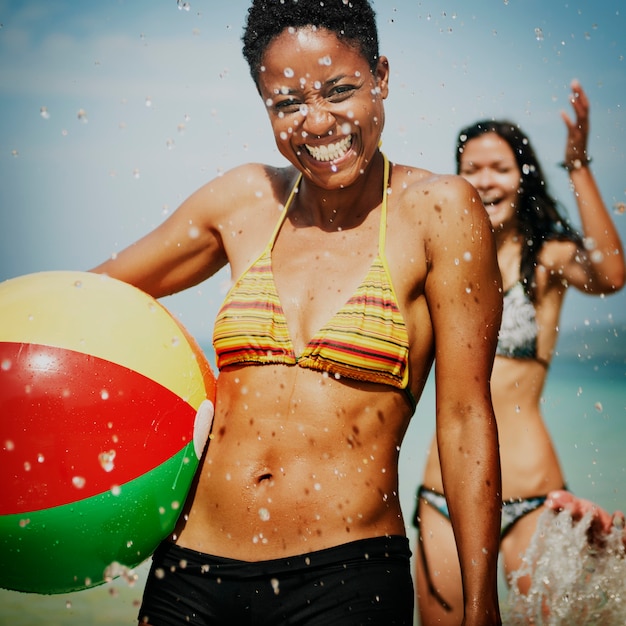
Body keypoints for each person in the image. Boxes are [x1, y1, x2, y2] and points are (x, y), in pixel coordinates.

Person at [90, 1, 504, 624]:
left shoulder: (440, 211)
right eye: (286, 103)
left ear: (381, 77)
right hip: (189, 572)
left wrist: (481, 604)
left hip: (345, 576)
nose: (316, 122)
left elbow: (467, 416)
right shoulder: (245, 198)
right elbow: (88, 297)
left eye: (340, 91)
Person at [414, 80, 625, 625]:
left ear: (522, 175)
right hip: (445, 494)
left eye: (500, 168)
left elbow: (612, 272)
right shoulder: (440, 264)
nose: (486, 180)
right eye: (472, 168)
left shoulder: (548, 260)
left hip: (533, 494)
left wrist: (577, 164)